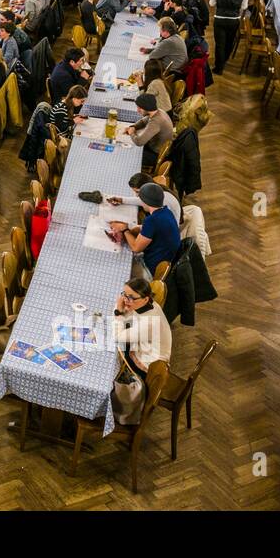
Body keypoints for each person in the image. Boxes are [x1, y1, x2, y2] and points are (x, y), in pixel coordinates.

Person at [107, 274, 173, 425]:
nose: (126, 300)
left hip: (146, 367)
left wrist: (118, 312)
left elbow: (117, 336)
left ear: (145, 298)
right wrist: (123, 309)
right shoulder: (147, 304)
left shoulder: (150, 322)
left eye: (131, 297)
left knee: (106, 358)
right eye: (124, 294)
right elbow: (127, 316)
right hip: (140, 349)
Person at [110, 182, 182, 280]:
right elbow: (143, 230)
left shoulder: (152, 220)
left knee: (116, 268)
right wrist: (126, 228)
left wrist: (125, 229)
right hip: (164, 259)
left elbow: (135, 248)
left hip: (149, 269)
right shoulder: (166, 212)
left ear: (145, 201)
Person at [207, 0, 245, 74]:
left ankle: (219, 67)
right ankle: (224, 60)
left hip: (220, 19)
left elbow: (211, 3)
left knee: (219, 44)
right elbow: (244, 6)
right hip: (234, 20)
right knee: (229, 42)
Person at [107, 172, 182, 225]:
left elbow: (156, 228)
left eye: (138, 192)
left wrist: (126, 229)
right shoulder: (156, 190)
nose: (136, 196)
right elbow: (141, 200)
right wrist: (122, 200)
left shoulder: (161, 203)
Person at [127, 92, 173, 168]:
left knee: (129, 155)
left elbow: (139, 142)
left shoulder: (156, 121)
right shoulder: (158, 111)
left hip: (155, 155)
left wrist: (131, 133)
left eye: (140, 108)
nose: (137, 110)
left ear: (147, 108)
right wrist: (134, 127)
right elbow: (143, 121)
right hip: (153, 147)